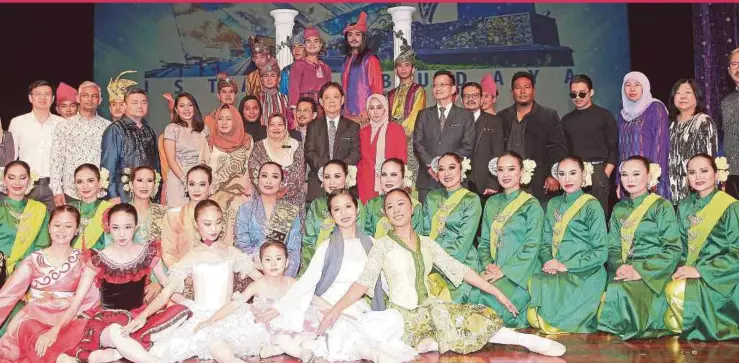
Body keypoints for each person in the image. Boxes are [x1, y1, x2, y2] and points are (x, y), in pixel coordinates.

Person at [319, 188, 567, 357]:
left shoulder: (427, 243)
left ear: (412, 208)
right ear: (385, 213)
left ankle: (528, 341)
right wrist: (335, 309)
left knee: (473, 321)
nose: (396, 210)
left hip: (431, 308)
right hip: (401, 317)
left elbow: (458, 269)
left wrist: (496, 292)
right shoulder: (381, 245)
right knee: (392, 342)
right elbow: (364, 282)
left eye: (401, 204)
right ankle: (429, 342)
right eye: (390, 207)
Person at [264, 189, 417, 362]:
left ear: (357, 209)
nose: (344, 213)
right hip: (328, 307)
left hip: (358, 308)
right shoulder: (327, 247)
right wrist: (280, 307)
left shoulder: (371, 243)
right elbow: (306, 282)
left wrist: (406, 303)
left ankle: (348, 345)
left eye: (348, 207)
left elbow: (383, 281)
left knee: (393, 319)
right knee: (341, 326)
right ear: (331, 215)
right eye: (337, 210)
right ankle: (375, 355)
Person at [43, 204, 191, 363]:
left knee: (183, 311)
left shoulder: (147, 253)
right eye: (115, 227)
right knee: (116, 331)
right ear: (108, 228)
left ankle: (113, 354)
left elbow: (167, 286)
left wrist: (193, 304)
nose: (121, 234)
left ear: (136, 226)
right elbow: (76, 303)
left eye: (127, 227)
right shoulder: (98, 259)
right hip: (106, 321)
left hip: (139, 317)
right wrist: (55, 329)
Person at [128, 200, 266, 363]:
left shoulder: (232, 252)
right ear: (196, 225)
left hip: (230, 315)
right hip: (202, 316)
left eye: (218, 222)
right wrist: (143, 316)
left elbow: (262, 280)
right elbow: (167, 292)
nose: (214, 229)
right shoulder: (191, 257)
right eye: (207, 224)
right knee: (218, 349)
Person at [0, 206, 100, 363]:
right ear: (49, 227)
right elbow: (7, 297)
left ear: (76, 230)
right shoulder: (33, 260)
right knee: (31, 337)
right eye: (57, 225)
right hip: (35, 316)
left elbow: (91, 298)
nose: (62, 231)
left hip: (69, 318)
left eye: (68, 226)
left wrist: (71, 312)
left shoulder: (82, 260)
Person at [597, 156, 681, 340]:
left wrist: (641, 271)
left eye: (636, 174)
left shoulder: (661, 206)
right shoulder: (619, 208)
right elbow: (612, 247)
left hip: (652, 274)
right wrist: (620, 265)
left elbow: (672, 248)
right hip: (623, 270)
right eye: (625, 175)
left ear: (648, 176)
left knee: (622, 293)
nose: (630, 179)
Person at [527, 156, 608, 334]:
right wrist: (549, 262)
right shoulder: (553, 204)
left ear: (583, 174)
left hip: (585, 271)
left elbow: (601, 252)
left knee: (547, 323)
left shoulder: (592, 206)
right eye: (562, 174)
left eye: (573, 173)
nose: (567, 179)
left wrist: (566, 266)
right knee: (535, 286)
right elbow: (544, 243)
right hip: (555, 268)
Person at [198, 242, 316, 362]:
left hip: (286, 325)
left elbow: (312, 298)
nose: (273, 263)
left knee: (295, 336)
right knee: (219, 338)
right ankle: (291, 351)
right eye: (268, 259)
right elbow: (235, 304)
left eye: (278, 258)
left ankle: (284, 350)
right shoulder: (257, 285)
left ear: (287, 262)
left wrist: (331, 308)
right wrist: (211, 320)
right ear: (261, 263)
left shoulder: (291, 283)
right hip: (263, 327)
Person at [665, 154, 739, 341]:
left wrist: (700, 270)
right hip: (689, 269)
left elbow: (737, 253)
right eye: (692, 172)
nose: (698, 177)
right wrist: (677, 269)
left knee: (676, 291)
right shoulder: (684, 205)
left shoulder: (730, 207)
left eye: (704, 171)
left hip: (721, 276)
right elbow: (679, 245)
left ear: (716, 174)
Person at [476, 151, 542, 328]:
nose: (505, 174)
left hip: (520, 273)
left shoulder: (531, 205)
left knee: (490, 301)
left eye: (511, 169)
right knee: (470, 294)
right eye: (500, 170)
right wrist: (488, 265)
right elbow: (483, 242)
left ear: (521, 172)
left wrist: (504, 271)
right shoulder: (491, 203)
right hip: (493, 269)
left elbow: (532, 246)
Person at [497, 71, 568, 207]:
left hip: (539, 185)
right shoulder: (502, 117)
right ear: (512, 92)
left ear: (534, 90)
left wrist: (553, 175)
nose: (522, 91)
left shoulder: (548, 115)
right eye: (518, 87)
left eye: (527, 87)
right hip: (509, 184)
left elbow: (558, 148)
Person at [422, 153, 481, 303]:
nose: (446, 173)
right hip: (431, 261)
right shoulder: (432, 197)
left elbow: (464, 241)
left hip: (460, 261)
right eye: (441, 169)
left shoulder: (471, 199)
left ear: (461, 170)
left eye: (452, 167)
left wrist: (439, 262)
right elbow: (425, 233)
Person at [0, 161, 50, 335]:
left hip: (30, 275)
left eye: (22, 178)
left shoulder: (40, 210)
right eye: (11, 177)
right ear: (4, 180)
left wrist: (23, 274)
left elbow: (43, 246)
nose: (17, 183)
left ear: (29, 181)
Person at [413, 70, 475, 203]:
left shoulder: (465, 115)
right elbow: (418, 144)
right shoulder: (423, 115)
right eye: (435, 85)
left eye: (442, 85)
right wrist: (432, 165)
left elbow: (468, 146)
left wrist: (445, 166)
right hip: (428, 179)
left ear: (453, 89)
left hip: (455, 179)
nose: (438, 88)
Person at [561, 75, 619, 216]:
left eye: (582, 93)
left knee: (599, 217)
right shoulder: (566, 120)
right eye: (573, 94)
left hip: (599, 171)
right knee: (576, 217)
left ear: (591, 92)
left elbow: (614, 147)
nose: (578, 97)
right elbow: (565, 151)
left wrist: (605, 174)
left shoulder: (605, 116)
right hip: (575, 172)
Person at [199, 104, 253, 246]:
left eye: (228, 119)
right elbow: (202, 169)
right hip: (214, 195)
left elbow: (250, 170)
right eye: (220, 119)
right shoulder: (208, 140)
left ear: (235, 120)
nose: (223, 122)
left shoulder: (247, 141)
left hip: (241, 196)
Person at [235, 162, 303, 277]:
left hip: (281, 275)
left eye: (275, 177)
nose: (268, 181)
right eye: (264, 176)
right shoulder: (245, 209)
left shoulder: (288, 211)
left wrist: (285, 281)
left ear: (281, 183)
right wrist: (259, 269)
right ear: (257, 180)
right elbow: (241, 244)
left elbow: (293, 251)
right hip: (251, 272)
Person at [50, 81, 111, 206]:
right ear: (78, 98)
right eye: (85, 95)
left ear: (100, 100)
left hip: (100, 191)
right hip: (71, 192)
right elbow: (56, 159)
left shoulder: (108, 127)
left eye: (94, 96)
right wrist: (57, 190)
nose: (90, 99)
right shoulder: (64, 126)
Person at [9, 80, 65, 212]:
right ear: (30, 97)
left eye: (47, 94)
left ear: (52, 99)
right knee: (24, 225)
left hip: (53, 186)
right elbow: (11, 157)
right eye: (38, 94)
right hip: (26, 185)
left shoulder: (62, 123)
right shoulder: (18, 123)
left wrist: (59, 189)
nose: (42, 97)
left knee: (53, 225)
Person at [302, 160, 365, 275]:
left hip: (350, 267)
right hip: (320, 267)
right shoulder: (316, 205)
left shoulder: (356, 204)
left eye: (337, 176)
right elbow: (309, 242)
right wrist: (310, 273)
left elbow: (361, 237)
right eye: (327, 177)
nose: (331, 182)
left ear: (346, 178)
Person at [617, 71, 670, 200]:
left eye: (637, 84)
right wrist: (619, 180)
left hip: (649, 179)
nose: (632, 88)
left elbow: (660, 144)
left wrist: (653, 176)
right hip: (628, 180)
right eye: (627, 85)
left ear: (645, 87)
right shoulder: (622, 115)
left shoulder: (655, 108)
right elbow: (620, 150)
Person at [101, 88, 160, 204]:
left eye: (143, 102)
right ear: (124, 106)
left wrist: (157, 191)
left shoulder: (149, 130)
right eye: (135, 102)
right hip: (123, 196)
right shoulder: (115, 129)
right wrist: (112, 195)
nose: (140, 106)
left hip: (147, 195)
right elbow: (108, 166)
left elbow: (156, 165)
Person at [304, 82, 360, 202]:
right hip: (318, 181)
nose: (332, 101)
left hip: (345, 182)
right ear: (321, 101)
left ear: (342, 100)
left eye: (336, 97)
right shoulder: (313, 126)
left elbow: (355, 153)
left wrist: (338, 171)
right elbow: (309, 152)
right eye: (327, 97)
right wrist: (325, 172)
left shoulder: (352, 126)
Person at [668, 79, 718, 204]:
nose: (683, 96)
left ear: (697, 97)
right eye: (678, 93)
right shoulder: (670, 124)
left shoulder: (703, 121)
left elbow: (709, 161)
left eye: (688, 92)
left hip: (696, 193)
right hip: (671, 193)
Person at [387, 31, 426, 186]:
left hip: (409, 140)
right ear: (396, 70)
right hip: (392, 139)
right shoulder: (390, 94)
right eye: (399, 66)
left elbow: (415, 116)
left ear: (413, 69)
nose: (403, 69)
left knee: (409, 178)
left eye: (407, 65)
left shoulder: (418, 90)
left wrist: (398, 133)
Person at [357, 94, 407, 203]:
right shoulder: (363, 132)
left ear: (385, 109)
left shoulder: (396, 129)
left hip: (390, 181)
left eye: (379, 107)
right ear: (367, 110)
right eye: (371, 108)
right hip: (366, 183)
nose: (375, 112)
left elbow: (401, 158)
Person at [248, 113, 306, 206]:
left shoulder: (295, 145)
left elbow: (299, 174)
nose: (276, 128)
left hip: (291, 200)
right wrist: (269, 192)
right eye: (272, 125)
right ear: (267, 127)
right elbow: (254, 172)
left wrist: (281, 193)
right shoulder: (259, 146)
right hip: (264, 199)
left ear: (285, 127)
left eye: (280, 124)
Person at [161, 165, 212, 269]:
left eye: (202, 184)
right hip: (182, 276)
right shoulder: (173, 216)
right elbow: (169, 252)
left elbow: (224, 248)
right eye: (192, 184)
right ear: (186, 187)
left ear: (210, 187)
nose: (196, 189)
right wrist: (182, 276)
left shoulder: (219, 215)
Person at [162, 92, 207, 207]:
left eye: (190, 105)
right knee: (178, 219)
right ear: (176, 109)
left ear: (195, 108)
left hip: (200, 179)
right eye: (182, 106)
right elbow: (171, 160)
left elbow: (208, 156)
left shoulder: (204, 129)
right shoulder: (172, 129)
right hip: (179, 178)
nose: (186, 109)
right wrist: (185, 180)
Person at [461, 81, 505, 200]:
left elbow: (498, 153)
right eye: (466, 96)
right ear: (461, 100)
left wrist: (493, 181)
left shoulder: (494, 121)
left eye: (475, 96)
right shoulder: (454, 121)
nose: (470, 99)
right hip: (459, 182)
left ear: (481, 99)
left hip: (484, 184)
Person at [363, 158, 423, 238]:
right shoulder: (371, 204)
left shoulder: (414, 206)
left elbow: (417, 238)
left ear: (402, 178)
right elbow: (366, 236)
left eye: (393, 175)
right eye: (384, 175)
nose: (388, 179)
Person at [341, 11, 383, 124]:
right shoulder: (347, 60)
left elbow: (377, 90)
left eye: (357, 34)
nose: (353, 38)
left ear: (363, 37)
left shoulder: (370, 59)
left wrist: (368, 111)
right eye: (350, 35)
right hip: (347, 115)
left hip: (364, 115)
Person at [69, 164, 113, 250]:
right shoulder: (69, 209)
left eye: (90, 181)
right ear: (75, 185)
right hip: (72, 259)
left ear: (99, 183)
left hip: (101, 258)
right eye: (79, 182)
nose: (85, 186)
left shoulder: (110, 209)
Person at [288, 26, 332, 111]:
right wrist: (295, 113)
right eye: (308, 41)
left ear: (320, 44)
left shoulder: (326, 68)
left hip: (322, 111)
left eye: (316, 41)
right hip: (304, 110)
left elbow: (329, 92)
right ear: (304, 45)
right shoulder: (298, 65)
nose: (312, 44)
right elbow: (294, 91)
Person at [126, 166, 167, 245]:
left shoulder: (164, 212)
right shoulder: (121, 212)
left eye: (149, 181)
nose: (144, 185)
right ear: (131, 185)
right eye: (140, 180)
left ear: (155, 185)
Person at [721, 48, 739, 199]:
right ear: (729, 70)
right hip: (732, 175)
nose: (738, 68)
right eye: (734, 64)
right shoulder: (726, 103)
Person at [258, 58, 292, 128]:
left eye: (272, 75)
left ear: (279, 79)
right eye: (265, 75)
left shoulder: (286, 99)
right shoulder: (257, 99)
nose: (269, 79)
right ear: (261, 79)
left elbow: (290, 121)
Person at [279, 28, 306, 95]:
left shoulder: (315, 68)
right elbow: (283, 96)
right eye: (294, 47)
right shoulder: (286, 71)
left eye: (300, 47)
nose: (296, 50)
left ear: (306, 48)